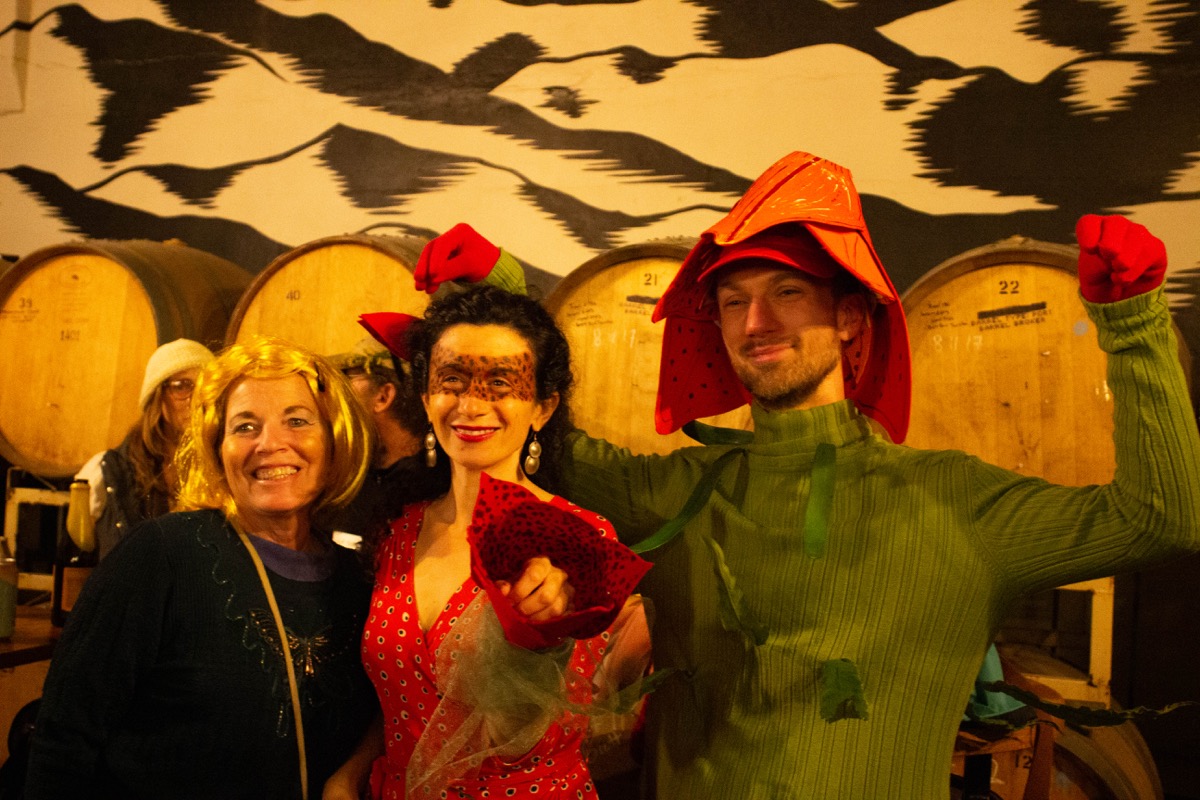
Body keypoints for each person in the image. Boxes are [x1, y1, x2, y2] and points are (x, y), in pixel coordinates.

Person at [410, 151, 1200, 798]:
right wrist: (498, 294)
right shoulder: (679, 490)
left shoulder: (957, 501)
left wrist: (1133, 324)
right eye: (733, 300)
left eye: (788, 292)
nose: (757, 323)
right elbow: (545, 432)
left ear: (852, 316)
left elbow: (1162, 516)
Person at [325, 284, 651, 799]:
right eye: (452, 379)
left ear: (542, 408)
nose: (472, 404)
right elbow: (401, 696)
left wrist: (535, 639)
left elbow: (517, 733)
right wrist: (353, 770)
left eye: (501, 382)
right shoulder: (396, 530)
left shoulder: (577, 537)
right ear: (428, 396)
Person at [25, 335, 381, 800]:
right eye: (245, 427)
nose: (271, 444)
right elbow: (63, 738)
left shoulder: (359, 581)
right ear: (218, 449)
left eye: (297, 421)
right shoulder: (161, 555)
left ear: (334, 440)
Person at [74, 338, 214, 558]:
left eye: (206, 386)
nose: (196, 398)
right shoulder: (109, 472)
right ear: (157, 396)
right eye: (182, 386)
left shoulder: (222, 465)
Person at [325, 336, 436, 548]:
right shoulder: (348, 475)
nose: (337, 393)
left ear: (383, 397)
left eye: (349, 378)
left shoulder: (433, 489)